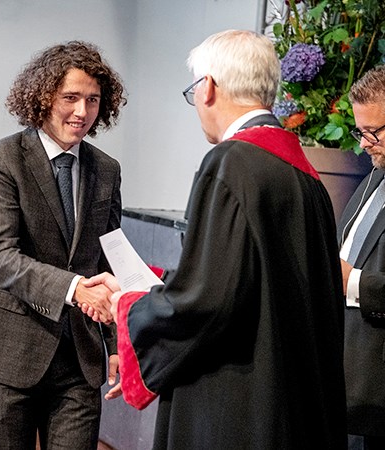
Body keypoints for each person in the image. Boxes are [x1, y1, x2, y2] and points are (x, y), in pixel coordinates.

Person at [93, 30, 346, 449]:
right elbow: (247, 281)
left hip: (235, 403)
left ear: (208, 87)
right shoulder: (306, 177)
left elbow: (206, 301)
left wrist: (127, 304)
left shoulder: (230, 163)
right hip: (291, 403)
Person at [0, 41, 127, 449]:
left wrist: (118, 343)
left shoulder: (106, 169)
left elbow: (109, 258)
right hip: (7, 350)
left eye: (93, 100)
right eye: (70, 98)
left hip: (80, 358)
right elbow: (0, 259)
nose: (81, 112)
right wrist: (74, 288)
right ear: (44, 96)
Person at [338, 65, 385, 449]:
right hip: (346, 385)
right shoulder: (373, 175)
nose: (365, 142)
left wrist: (350, 280)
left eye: (375, 131)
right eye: (360, 131)